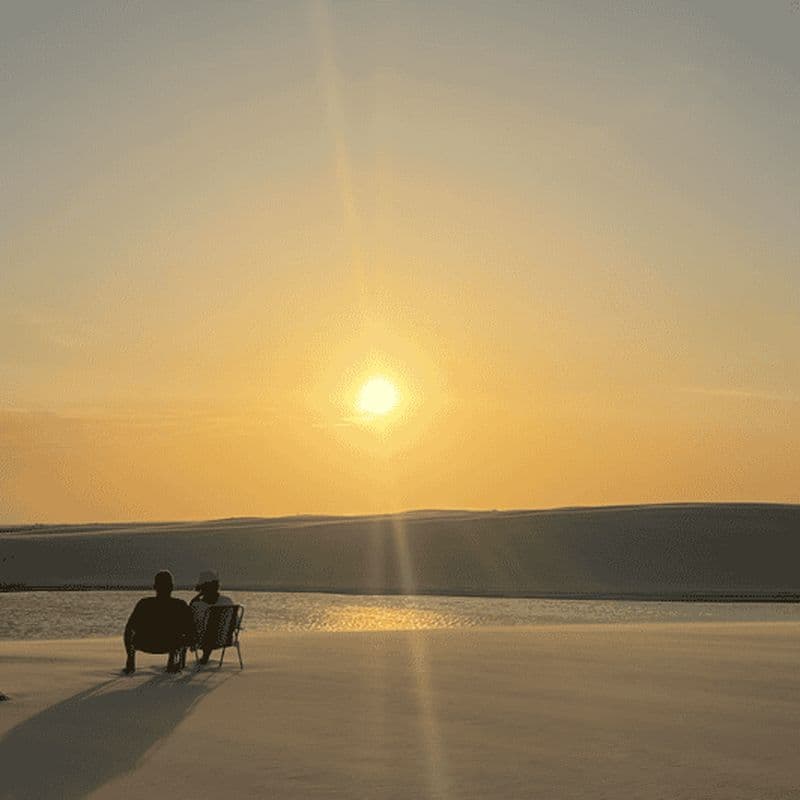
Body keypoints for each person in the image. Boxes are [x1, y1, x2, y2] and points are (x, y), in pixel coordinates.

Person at [123, 570, 194, 674]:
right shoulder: (180, 605)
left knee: (129, 632)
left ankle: (130, 664)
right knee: (180, 636)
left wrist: (130, 657)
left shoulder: (144, 604)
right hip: (170, 644)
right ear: (172, 587)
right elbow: (190, 630)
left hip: (144, 643)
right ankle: (175, 663)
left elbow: (129, 628)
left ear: (155, 587)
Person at [189, 569, 234, 664]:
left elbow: (192, 624)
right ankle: (206, 656)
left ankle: (179, 662)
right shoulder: (227, 601)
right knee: (209, 629)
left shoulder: (198, 605)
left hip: (203, 640)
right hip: (225, 639)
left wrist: (195, 598)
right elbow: (235, 623)